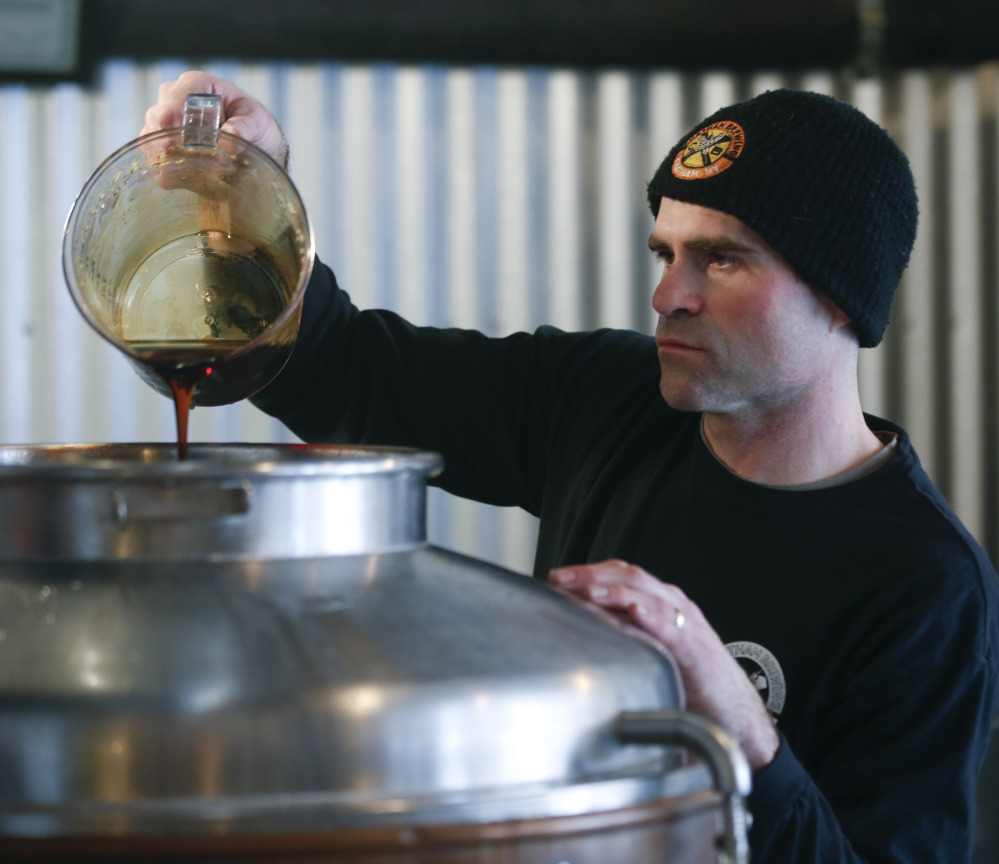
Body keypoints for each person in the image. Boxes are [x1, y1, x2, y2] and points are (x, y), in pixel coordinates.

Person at [144, 72, 999, 863]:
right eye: (666, 253)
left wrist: (742, 731)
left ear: (842, 295)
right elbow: (344, 369)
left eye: (722, 258)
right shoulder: (604, 400)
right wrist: (243, 202)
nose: (669, 295)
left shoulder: (923, 584)